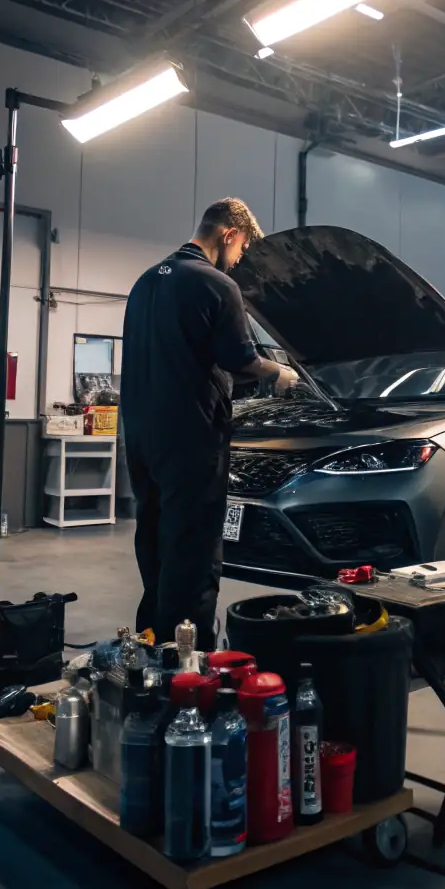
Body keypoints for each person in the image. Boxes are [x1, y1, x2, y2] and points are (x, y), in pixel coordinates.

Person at [120, 197, 298, 648]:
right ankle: (189, 655)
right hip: (190, 437)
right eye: (239, 253)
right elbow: (238, 358)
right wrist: (279, 372)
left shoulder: (145, 282)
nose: (237, 264)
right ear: (229, 235)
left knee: (155, 535)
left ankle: (153, 637)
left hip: (140, 435)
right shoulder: (215, 284)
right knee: (194, 548)